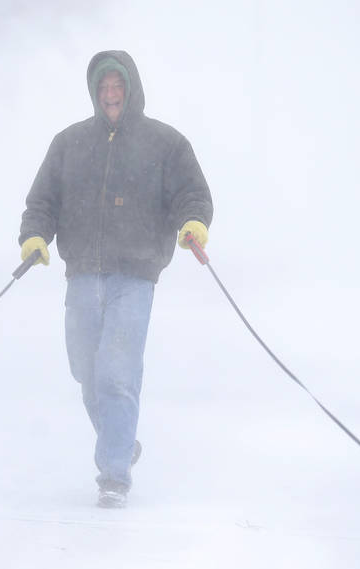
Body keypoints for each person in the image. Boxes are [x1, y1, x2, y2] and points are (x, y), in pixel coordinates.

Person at [18, 50, 213, 509]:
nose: (111, 94)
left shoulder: (166, 144)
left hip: (136, 274)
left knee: (117, 375)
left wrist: (193, 224)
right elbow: (42, 201)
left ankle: (114, 474)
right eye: (104, 87)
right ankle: (121, 441)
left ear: (131, 88)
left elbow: (192, 194)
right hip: (82, 273)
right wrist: (34, 238)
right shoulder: (69, 143)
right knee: (86, 373)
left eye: (118, 86)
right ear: (94, 92)